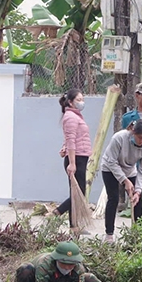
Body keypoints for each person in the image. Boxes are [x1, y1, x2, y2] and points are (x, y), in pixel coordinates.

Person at [100, 120, 142, 243]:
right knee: (113, 198)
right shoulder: (119, 138)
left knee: (137, 200)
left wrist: (138, 191)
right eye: (139, 138)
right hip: (110, 168)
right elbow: (111, 161)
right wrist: (124, 181)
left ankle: (137, 233)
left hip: (129, 169)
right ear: (133, 132)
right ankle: (109, 235)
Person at [51, 89, 92, 229]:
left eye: (82, 99)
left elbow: (71, 137)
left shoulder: (76, 116)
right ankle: (57, 212)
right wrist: (72, 163)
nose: (82, 102)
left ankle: (74, 227)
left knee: (77, 193)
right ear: (70, 102)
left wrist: (64, 148)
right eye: (78, 100)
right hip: (77, 158)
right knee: (78, 194)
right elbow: (71, 139)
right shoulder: (70, 117)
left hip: (80, 157)